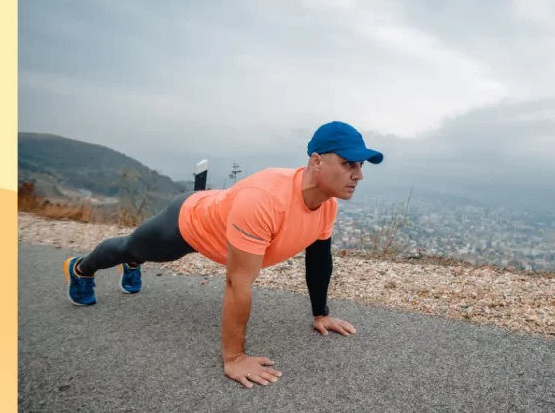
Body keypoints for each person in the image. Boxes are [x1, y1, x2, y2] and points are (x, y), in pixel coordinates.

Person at [61, 120, 384, 389]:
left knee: (142, 254)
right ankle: (81, 269)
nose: (359, 174)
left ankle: (134, 263)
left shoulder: (326, 205)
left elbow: (318, 260)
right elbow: (237, 283)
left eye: (359, 165)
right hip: (186, 223)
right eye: (348, 164)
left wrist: (320, 314)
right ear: (316, 161)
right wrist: (234, 358)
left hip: (222, 214)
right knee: (131, 247)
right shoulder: (265, 199)